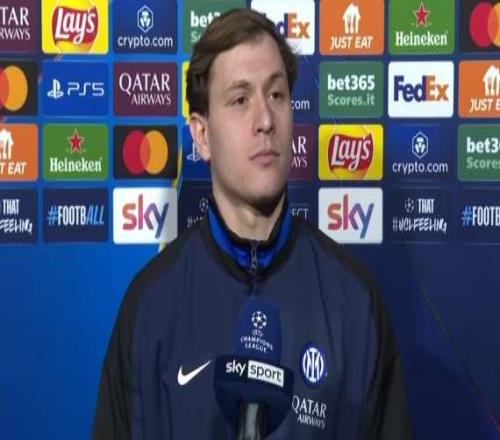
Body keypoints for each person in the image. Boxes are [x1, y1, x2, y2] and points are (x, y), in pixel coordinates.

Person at [93, 8, 413, 439]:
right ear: (202, 135)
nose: (265, 121)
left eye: (276, 95)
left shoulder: (355, 301)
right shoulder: (150, 306)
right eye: (240, 100)